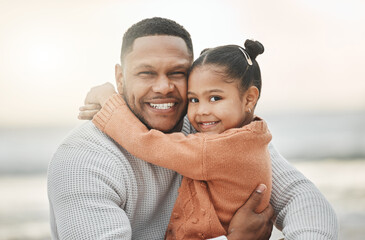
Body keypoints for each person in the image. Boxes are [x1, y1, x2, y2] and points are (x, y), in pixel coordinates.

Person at [48, 17, 338, 240]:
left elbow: (304, 201)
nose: (163, 87)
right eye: (146, 73)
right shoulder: (82, 159)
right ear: (120, 79)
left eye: (177, 73)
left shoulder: (211, 129)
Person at [86, 40, 272, 240]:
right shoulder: (253, 136)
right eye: (193, 99)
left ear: (249, 99)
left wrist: (108, 102)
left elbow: (145, 143)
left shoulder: (214, 150)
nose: (201, 111)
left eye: (215, 98)